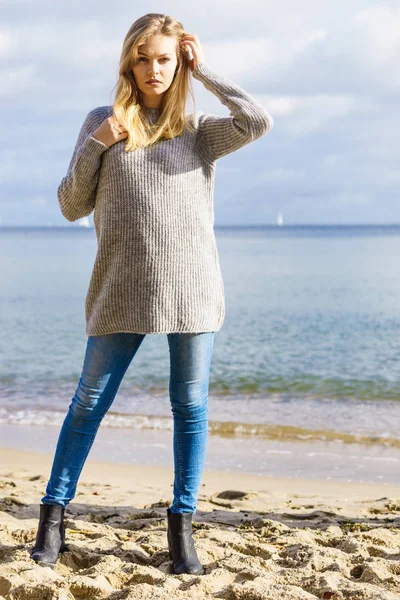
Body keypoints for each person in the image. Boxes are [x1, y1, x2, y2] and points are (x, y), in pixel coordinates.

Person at [31, 13, 274, 575]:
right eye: (143, 57)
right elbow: (70, 205)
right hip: (121, 288)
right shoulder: (104, 121)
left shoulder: (198, 128)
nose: (153, 69)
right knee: (89, 402)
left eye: (164, 58)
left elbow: (257, 120)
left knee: (189, 408)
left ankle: (182, 528)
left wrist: (204, 68)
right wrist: (97, 143)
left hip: (192, 288)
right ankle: (52, 518)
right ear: (128, 63)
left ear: (178, 60)